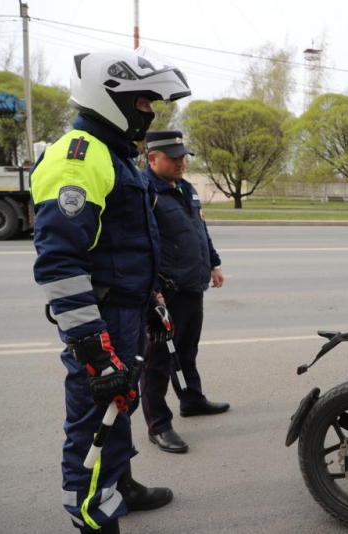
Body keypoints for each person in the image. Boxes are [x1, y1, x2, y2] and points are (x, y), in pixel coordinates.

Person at [31, 48, 191, 534]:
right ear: (110, 97)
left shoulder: (114, 153)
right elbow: (60, 261)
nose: (150, 112)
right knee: (95, 424)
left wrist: (152, 297)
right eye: (143, 102)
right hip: (101, 321)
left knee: (120, 409)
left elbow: (127, 242)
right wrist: (92, 348)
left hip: (127, 311)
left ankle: (121, 485)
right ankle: (93, 519)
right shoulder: (77, 157)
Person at [141, 130, 229, 454]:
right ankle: (158, 426)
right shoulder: (145, 192)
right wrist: (153, 292)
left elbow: (199, 229)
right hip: (166, 293)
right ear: (152, 158)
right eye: (173, 158)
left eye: (183, 157)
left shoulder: (184, 188)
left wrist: (214, 263)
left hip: (193, 285)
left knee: (187, 350)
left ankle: (191, 400)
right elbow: (141, 245)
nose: (181, 163)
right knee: (157, 362)